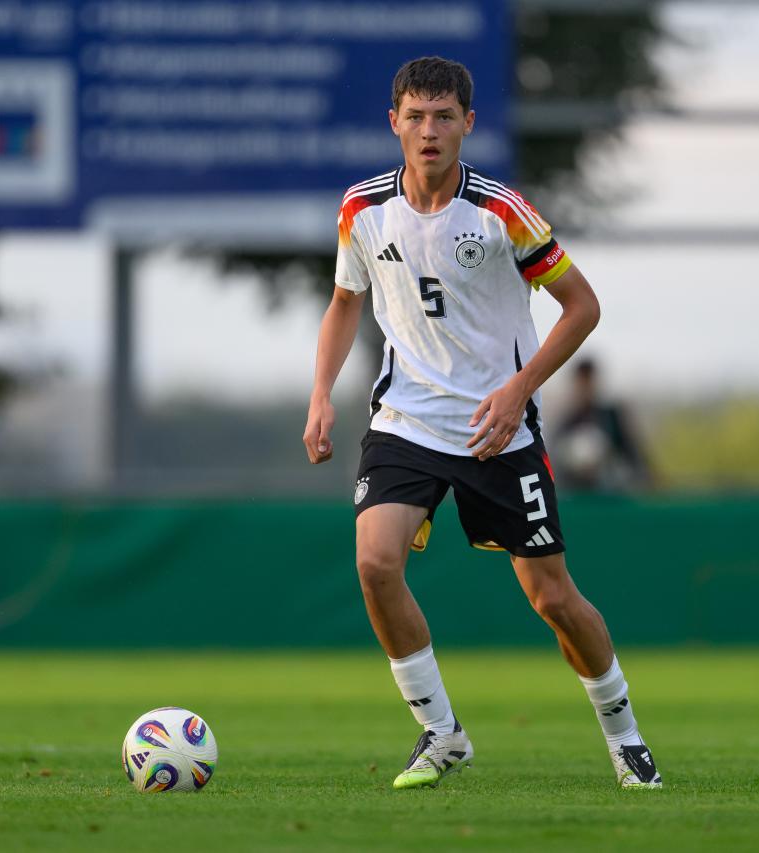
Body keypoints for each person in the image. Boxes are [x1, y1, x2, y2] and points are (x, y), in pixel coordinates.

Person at [302, 57, 661, 790]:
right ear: (393, 122)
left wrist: (517, 390)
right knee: (375, 562)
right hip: (405, 418)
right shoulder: (361, 210)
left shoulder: (502, 212)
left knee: (553, 598)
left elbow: (582, 306)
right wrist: (319, 394)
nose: (428, 130)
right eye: (415, 115)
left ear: (468, 124)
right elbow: (344, 301)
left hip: (499, 428)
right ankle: (441, 732)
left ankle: (625, 737)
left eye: (443, 117)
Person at [556, 358, 652, 493]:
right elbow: (558, 458)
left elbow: (630, 450)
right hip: (577, 493)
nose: (586, 387)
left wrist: (647, 476)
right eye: (582, 381)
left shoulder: (610, 416)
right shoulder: (568, 420)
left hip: (609, 490)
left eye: (589, 380)